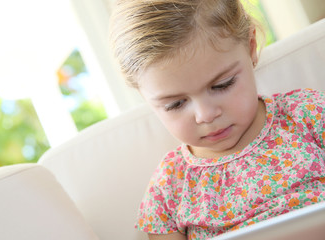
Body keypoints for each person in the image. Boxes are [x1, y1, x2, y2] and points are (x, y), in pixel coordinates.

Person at [109, 0, 325, 239]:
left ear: (251, 47)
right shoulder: (169, 185)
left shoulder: (307, 114)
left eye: (223, 85)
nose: (206, 115)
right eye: (175, 104)